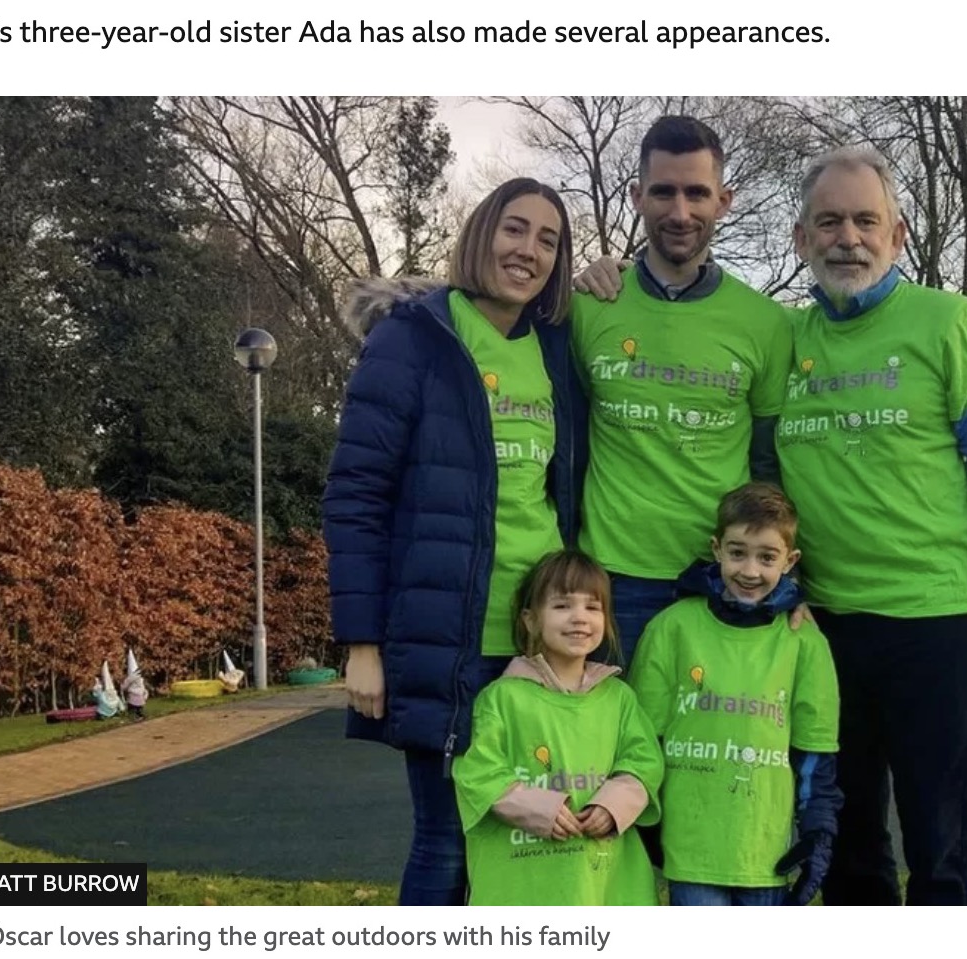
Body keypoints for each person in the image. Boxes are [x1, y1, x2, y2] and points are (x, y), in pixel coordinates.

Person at [322, 178, 588, 906]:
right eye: (514, 229)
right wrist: (363, 642)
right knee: (447, 838)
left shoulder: (557, 350)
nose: (527, 250)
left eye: (548, 240)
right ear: (479, 235)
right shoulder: (413, 339)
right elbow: (356, 495)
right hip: (446, 635)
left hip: (539, 637)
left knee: (521, 840)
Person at [775, 147, 967, 906]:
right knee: (846, 842)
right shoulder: (780, 340)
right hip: (823, 628)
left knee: (940, 843)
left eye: (864, 220)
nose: (846, 236)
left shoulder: (949, 321)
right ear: (800, 239)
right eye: (829, 221)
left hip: (934, 622)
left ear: (899, 233)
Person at [570, 116, 794, 663]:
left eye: (697, 193)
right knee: (608, 749)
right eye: (663, 192)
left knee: (705, 748)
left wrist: (781, 578)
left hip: (722, 581)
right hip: (609, 581)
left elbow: (769, 464)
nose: (680, 212)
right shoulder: (588, 305)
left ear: (723, 200)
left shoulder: (766, 323)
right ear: (637, 197)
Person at [630, 482, 841, 906]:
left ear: (790, 560)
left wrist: (818, 830)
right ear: (716, 548)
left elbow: (815, 752)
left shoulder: (805, 642)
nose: (750, 570)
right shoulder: (671, 628)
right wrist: (646, 821)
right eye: (737, 552)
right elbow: (641, 741)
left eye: (767, 557)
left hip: (765, 853)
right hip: (692, 849)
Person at [453, 549, 663, 905]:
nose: (579, 618)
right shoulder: (502, 698)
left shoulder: (619, 698)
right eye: (562, 606)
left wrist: (613, 806)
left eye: (592, 607)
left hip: (604, 884)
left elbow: (645, 762)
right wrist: (537, 809)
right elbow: (477, 771)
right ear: (530, 620)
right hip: (525, 882)